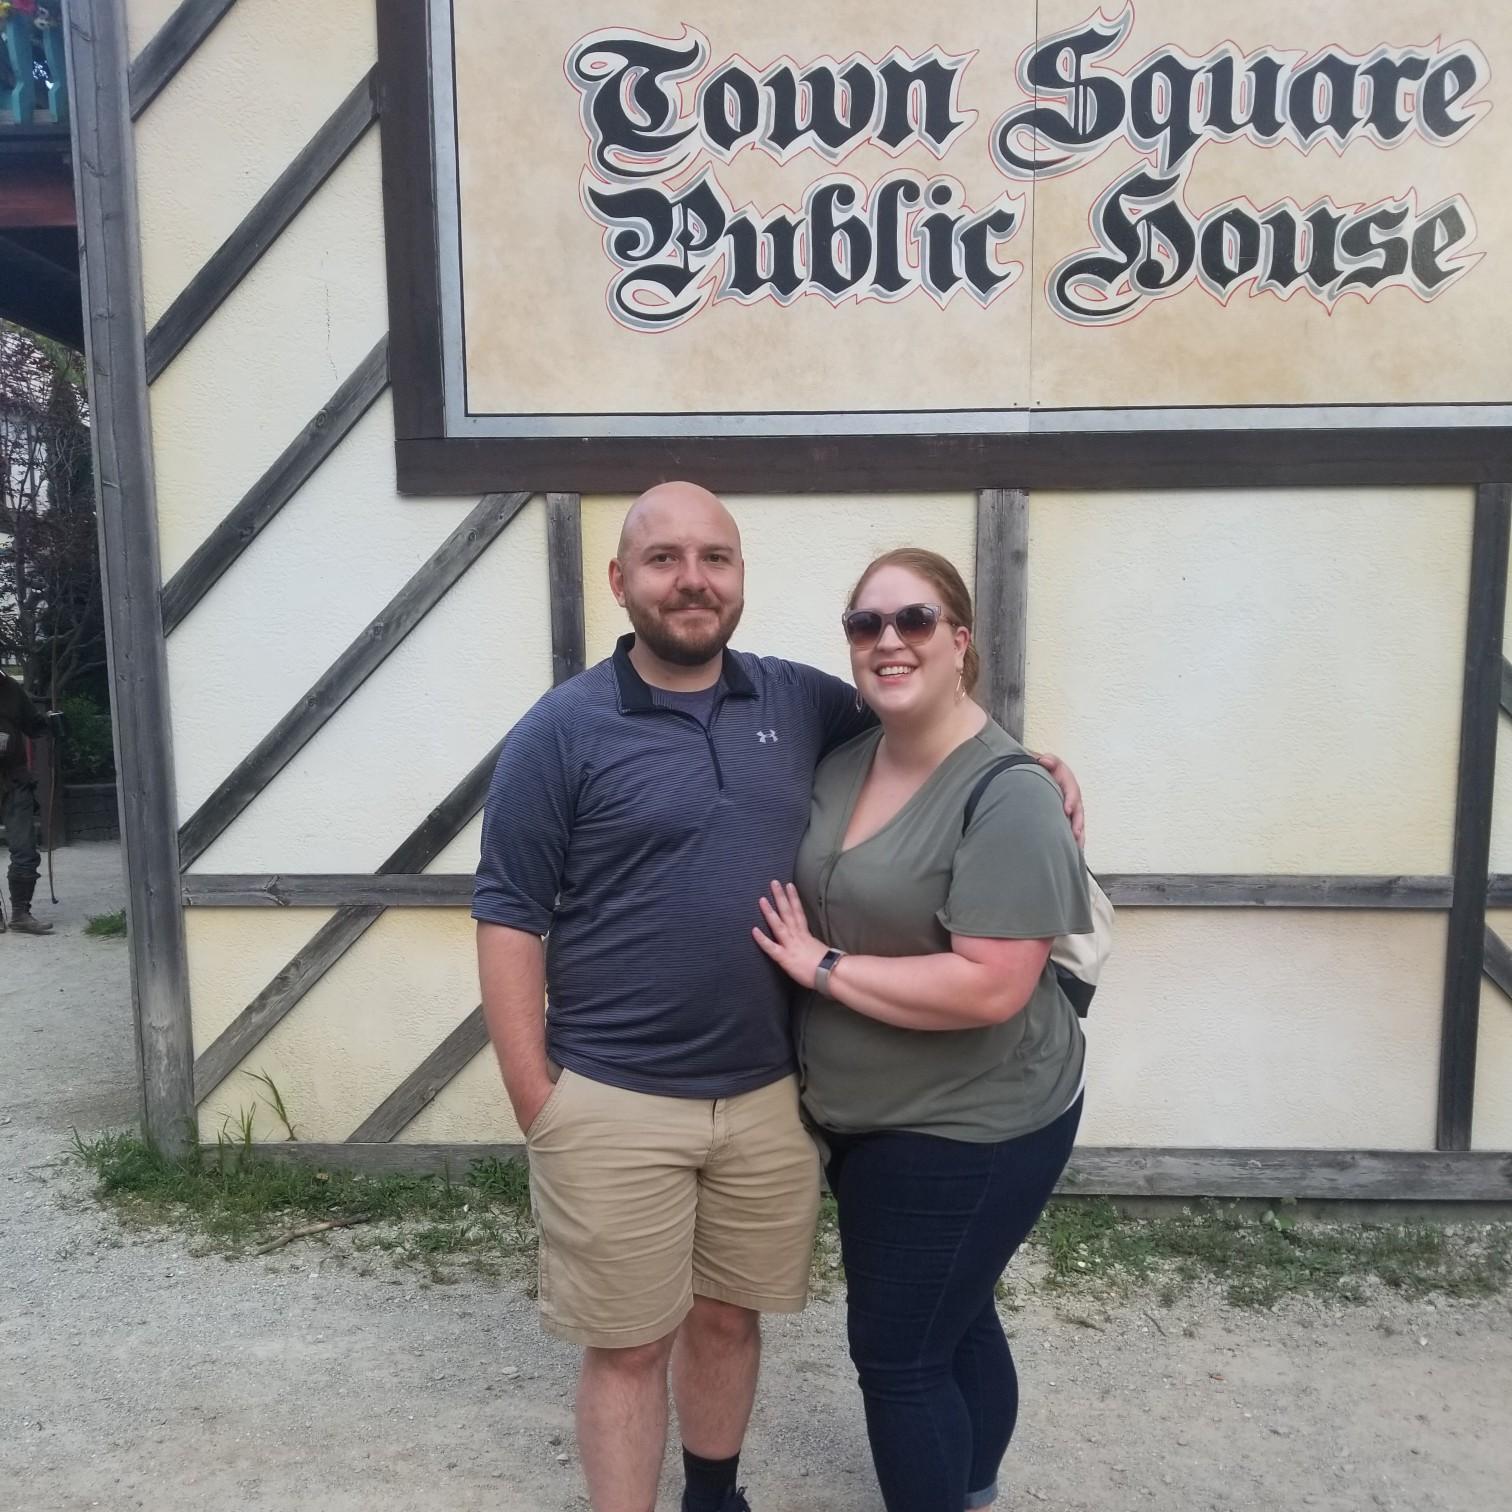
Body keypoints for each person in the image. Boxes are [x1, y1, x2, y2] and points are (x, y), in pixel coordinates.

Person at [473, 484, 1084, 1512]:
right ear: (619, 581)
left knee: (727, 1318)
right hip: (615, 1096)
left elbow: (931, 725)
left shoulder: (799, 703)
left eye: (715, 557)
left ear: (741, 576)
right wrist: (539, 1098)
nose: (693, 580)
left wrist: (1035, 766)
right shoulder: (561, 731)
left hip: (767, 1097)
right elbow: (507, 914)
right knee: (628, 1348)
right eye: (663, 559)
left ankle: (716, 1499)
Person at [753, 547, 1093, 1512]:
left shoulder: (1010, 794)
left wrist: (821, 966)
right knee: (957, 1314)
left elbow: (991, 987)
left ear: (960, 640)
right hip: (863, 1113)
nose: (888, 640)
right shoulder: (847, 751)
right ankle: (972, 1486)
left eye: (914, 620)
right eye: (866, 624)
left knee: (899, 1358)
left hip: (970, 1121)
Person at [0, 669, 55, 936]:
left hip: (14, 781)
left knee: (25, 850)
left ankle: (21, 914)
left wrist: (51, 722)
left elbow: (33, 726)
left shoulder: (9, 687)